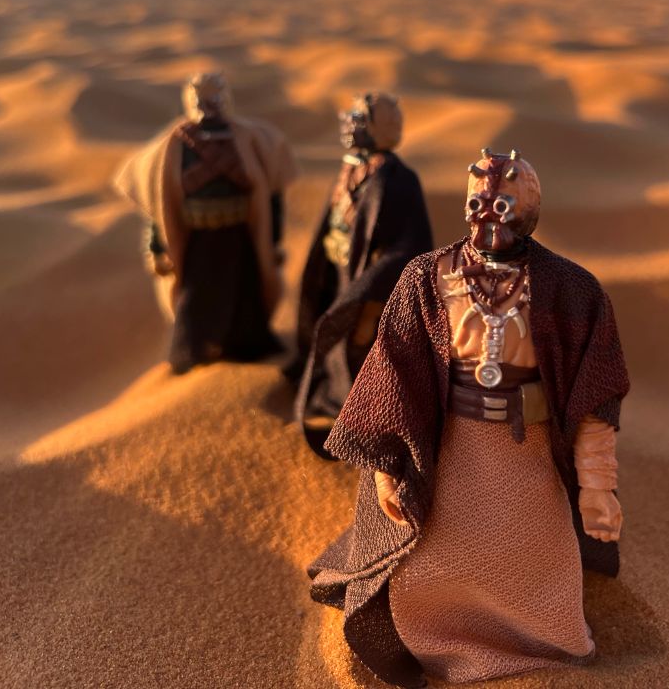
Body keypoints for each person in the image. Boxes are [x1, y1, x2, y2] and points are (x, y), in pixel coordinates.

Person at [308, 147, 630, 688]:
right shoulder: (424, 280)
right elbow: (392, 375)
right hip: (454, 450)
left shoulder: (572, 291)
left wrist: (598, 486)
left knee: (541, 578)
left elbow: (595, 400)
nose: (487, 215)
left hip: (529, 454)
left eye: (502, 204)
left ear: (527, 212)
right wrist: (389, 470)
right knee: (429, 567)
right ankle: (441, 645)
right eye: (477, 202)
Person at [114, 72, 298, 373]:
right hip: (199, 240)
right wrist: (157, 248)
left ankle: (247, 347)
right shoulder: (172, 148)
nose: (207, 107)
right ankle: (194, 351)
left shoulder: (251, 139)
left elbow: (271, 198)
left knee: (244, 299)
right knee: (196, 303)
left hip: (238, 235)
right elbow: (157, 207)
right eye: (201, 100)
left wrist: (273, 240)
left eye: (214, 99)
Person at [292, 92, 433, 454]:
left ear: (376, 127)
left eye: (358, 120)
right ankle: (337, 400)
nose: (349, 126)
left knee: (362, 344)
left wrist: (370, 291)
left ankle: (366, 418)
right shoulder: (351, 168)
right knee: (337, 340)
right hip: (341, 272)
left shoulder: (399, 179)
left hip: (371, 287)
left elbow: (409, 246)